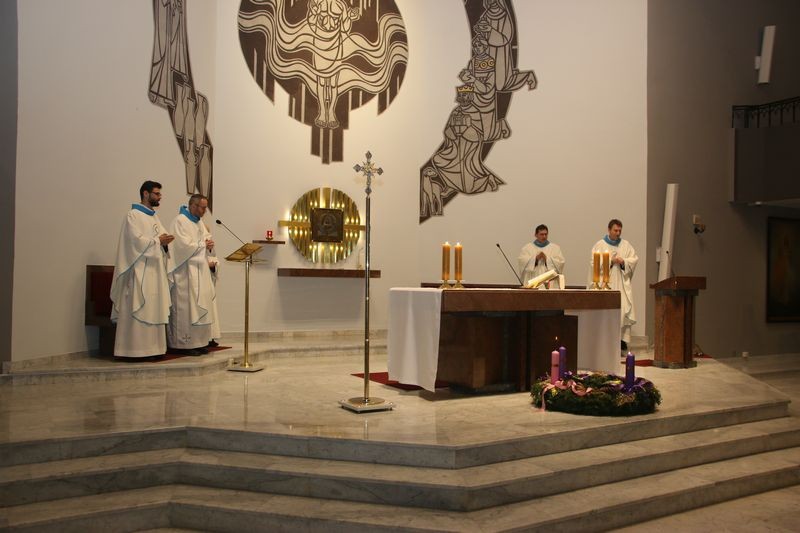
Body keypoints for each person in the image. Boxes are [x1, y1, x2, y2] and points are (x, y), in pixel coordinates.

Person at [109, 181, 174, 360]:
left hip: (155, 272)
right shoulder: (133, 216)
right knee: (140, 307)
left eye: (159, 194)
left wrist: (165, 243)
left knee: (154, 308)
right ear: (145, 194)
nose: (159, 197)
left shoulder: (154, 218)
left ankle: (153, 349)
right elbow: (134, 241)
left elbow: (162, 239)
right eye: (156, 194)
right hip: (138, 272)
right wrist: (158, 242)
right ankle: (134, 350)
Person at [166, 194, 219, 355]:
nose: (204, 211)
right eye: (203, 208)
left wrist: (209, 245)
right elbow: (181, 247)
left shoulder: (199, 223)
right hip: (185, 274)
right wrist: (203, 245)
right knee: (186, 309)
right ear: (193, 205)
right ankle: (182, 344)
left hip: (199, 271)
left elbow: (206, 241)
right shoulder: (180, 221)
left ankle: (198, 342)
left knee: (199, 306)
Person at [589, 219, 639, 350]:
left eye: (620, 231)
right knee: (605, 312)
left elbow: (633, 260)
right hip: (604, 284)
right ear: (609, 230)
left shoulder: (626, 245)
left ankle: (620, 341)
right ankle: (605, 341)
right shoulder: (599, 245)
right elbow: (594, 265)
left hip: (621, 284)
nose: (618, 233)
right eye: (615, 230)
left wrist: (623, 262)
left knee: (622, 309)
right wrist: (610, 261)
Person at [518, 224, 565, 289]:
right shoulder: (527, 248)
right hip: (533, 281)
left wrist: (547, 259)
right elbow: (522, 262)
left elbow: (560, 263)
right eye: (541, 234)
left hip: (550, 284)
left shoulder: (555, 248)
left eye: (546, 234)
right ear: (536, 235)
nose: (544, 236)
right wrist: (535, 259)